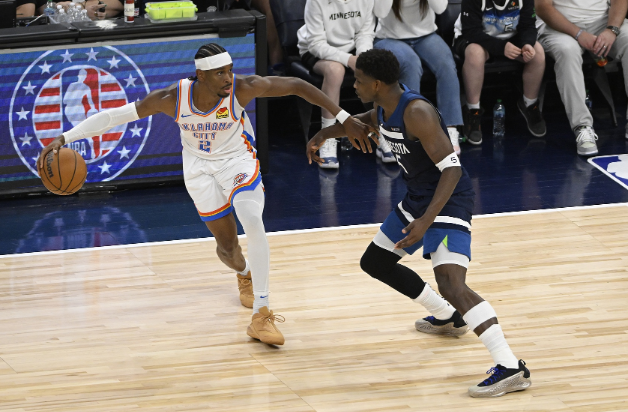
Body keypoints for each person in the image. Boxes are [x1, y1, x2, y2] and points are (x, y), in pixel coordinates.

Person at [39, 43, 376, 346]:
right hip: (199, 169)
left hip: (237, 161)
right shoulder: (172, 98)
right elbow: (116, 116)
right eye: (220, 73)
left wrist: (344, 118)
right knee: (228, 249)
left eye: (230, 70)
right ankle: (243, 272)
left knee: (252, 220)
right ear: (201, 75)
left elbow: (298, 86)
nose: (229, 78)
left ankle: (262, 313)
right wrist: (65, 138)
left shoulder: (243, 88)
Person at [307, 49, 531, 398]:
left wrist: (427, 221)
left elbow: (452, 169)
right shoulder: (384, 107)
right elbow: (362, 121)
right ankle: (447, 317)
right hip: (418, 198)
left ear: (377, 83)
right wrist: (324, 134)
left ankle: (510, 366)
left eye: (359, 80)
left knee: (452, 283)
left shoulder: (417, 112)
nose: (355, 85)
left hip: (448, 199)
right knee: (376, 262)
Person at [297, 0, 395, 168]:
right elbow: (315, 44)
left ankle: (382, 131)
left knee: (375, 68)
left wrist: (363, 58)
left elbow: (365, 33)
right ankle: (327, 139)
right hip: (316, 50)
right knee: (335, 71)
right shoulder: (315, 2)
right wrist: (348, 60)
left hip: (351, 48)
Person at [536, 0, 628, 156]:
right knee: (567, 51)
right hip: (559, 25)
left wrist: (611, 30)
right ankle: (582, 127)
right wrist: (579, 34)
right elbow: (542, 8)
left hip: (602, 22)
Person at [373, 0, 464, 155]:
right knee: (411, 64)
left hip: (426, 36)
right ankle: (401, 132)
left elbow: (440, 8)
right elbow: (380, 12)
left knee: (446, 65)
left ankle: (449, 129)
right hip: (389, 38)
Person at [453, 0, 547, 144]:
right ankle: (472, 111)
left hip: (510, 38)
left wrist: (527, 44)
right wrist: (501, 47)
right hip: (475, 39)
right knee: (475, 54)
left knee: (537, 52)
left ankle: (530, 104)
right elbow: (471, 32)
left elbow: (528, 26)